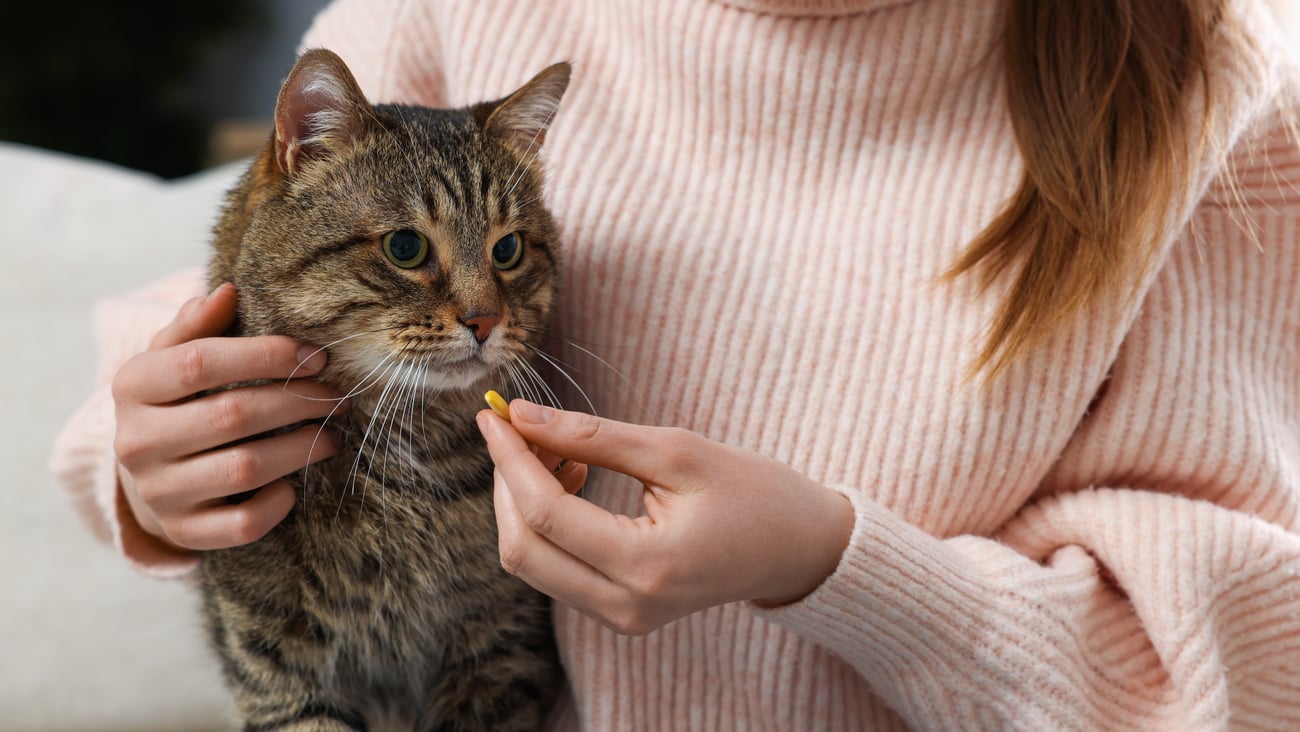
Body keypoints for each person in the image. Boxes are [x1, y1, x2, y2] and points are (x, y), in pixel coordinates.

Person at [50, 0, 1300, 728]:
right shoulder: (455, 9)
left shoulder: (1220, 90)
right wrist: (151, 458)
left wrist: (833, 566)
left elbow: (1249, 674)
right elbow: (235, 283)